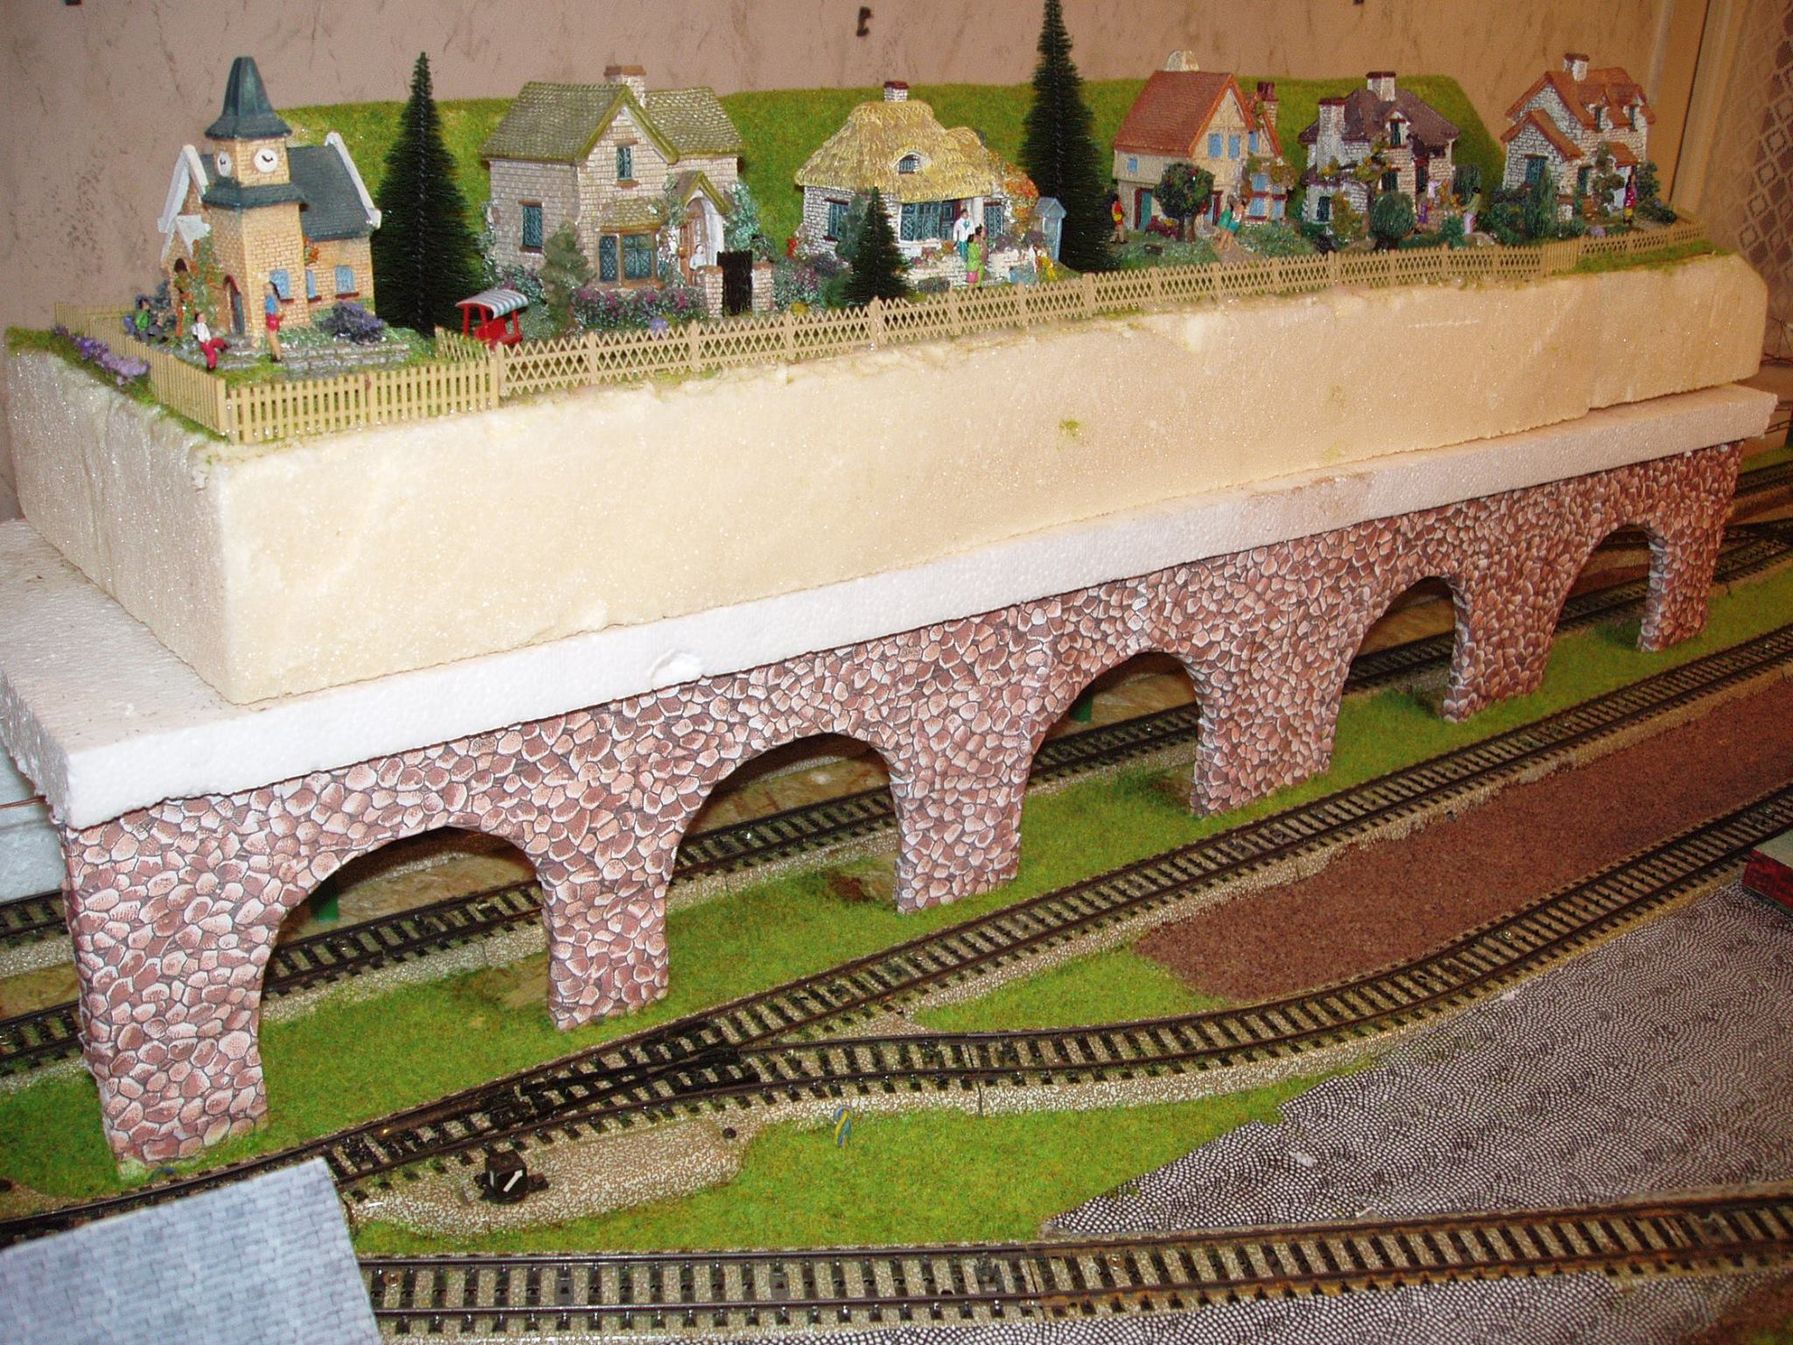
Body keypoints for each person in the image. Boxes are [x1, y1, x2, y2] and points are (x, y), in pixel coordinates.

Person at [263, 280, 284, 362]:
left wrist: (277, 315)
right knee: (270, 337)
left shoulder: (273, 297)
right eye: (265, 288)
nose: (266, 290)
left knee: (273, 338)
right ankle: (274, 354)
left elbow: (280, 308)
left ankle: (278, 357)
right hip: (268, 317)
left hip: (272, 318)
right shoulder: (268, 298)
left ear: (273, 290)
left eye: (268, 289)